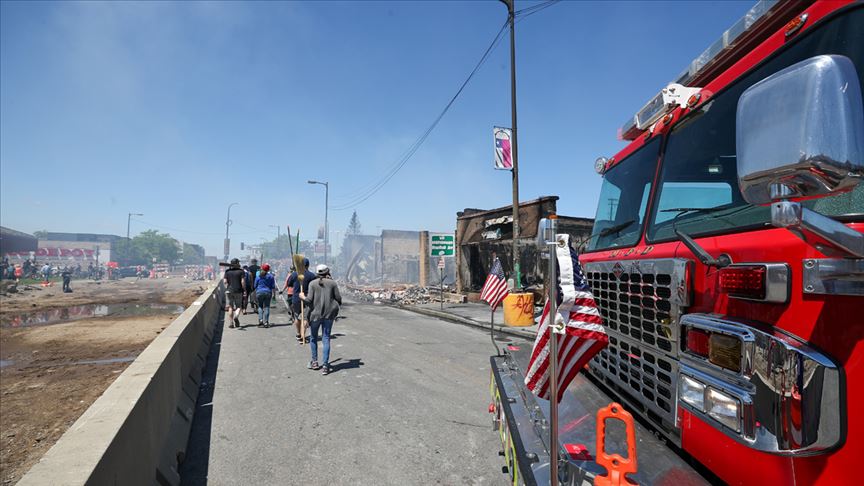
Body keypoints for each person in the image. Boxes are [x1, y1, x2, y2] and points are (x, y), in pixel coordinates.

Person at [302, 264, 342, 375]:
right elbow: (338, 298)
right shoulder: (332, 283)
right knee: (326, 338)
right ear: (327, 272)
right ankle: (325, 365)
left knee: (314, 338)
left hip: (315, 315)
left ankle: (314, 362)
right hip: (329, 315)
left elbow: (309, 301)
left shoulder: (312, 284)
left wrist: (302, 297)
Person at [284, 258, 316, 343]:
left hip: (296, 299)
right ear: (308, 265)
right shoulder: (312, 275)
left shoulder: (294, 274)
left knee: (297, 317)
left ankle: (299, 334)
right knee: (305, 318)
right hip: (308, 298)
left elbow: (289, 284)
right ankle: (303, 336)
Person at [223, 258, 247, 329]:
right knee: (238, 306)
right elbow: (242, 282)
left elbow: (224, 281)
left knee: (230, 307)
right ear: (237, 264)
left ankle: (231, 323)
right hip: (238, 291)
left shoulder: (227, 271)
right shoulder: (241, 271)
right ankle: (236, 317)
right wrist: (244, 290)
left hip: (229, 291)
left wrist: (228, 287)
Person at [253, 263, 278, 327]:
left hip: (259, 292)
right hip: (268, 292)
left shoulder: (258, 277)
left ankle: (260, 320)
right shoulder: (271, 276)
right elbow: (273, 287)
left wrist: (255, 294)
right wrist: (274, 295)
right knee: (266, 307)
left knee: (260, 306)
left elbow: (255, 286)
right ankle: (266, 322)